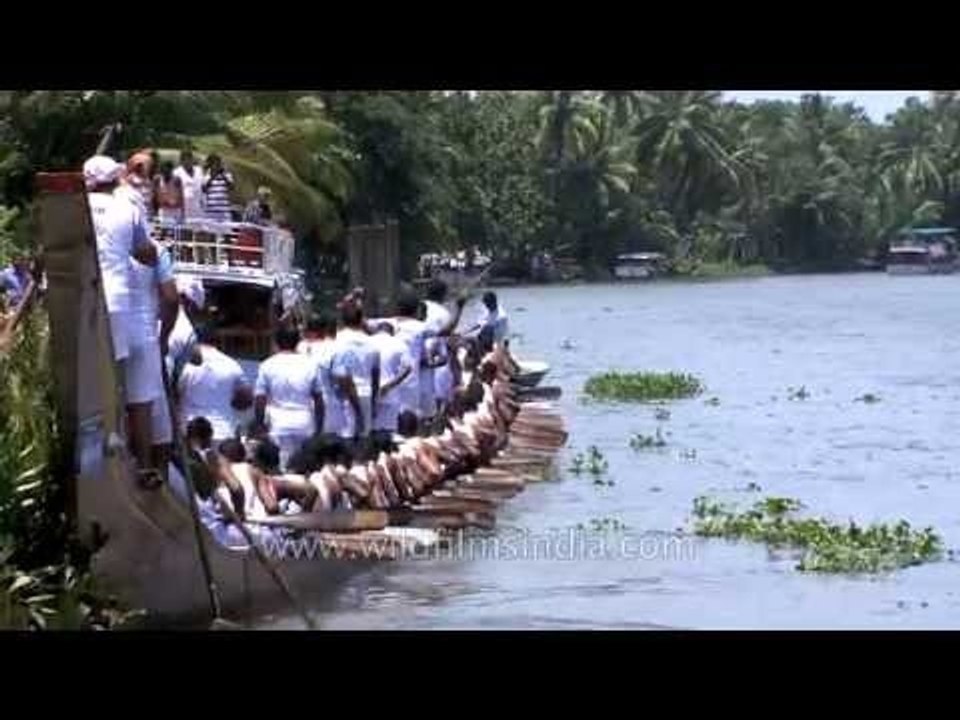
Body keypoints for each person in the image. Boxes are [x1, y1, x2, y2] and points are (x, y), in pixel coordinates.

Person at [83, 154, 159, 486]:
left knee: (87, 376)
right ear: (116, 180)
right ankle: (112, 445)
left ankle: (89, 454)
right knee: (113, 377)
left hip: (81, 298)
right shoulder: (127, 209)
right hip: (117, 301)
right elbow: (146, 252)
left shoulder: (76, 208)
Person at [128, 235, 180, 482]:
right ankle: (146, 471)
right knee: (148, 406)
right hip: (146, 334)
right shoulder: (156, 249)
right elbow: (171, 298)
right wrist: (164, 338)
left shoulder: (102, 243)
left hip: (108, 329)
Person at [254, 326, 320, 469]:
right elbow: (318, 399)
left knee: (282, 467)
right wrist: (319, 427)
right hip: (305, 422)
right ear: (297, 342)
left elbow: (260, 399)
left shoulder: (267, 365)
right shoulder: (310, 364)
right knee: (305, 467)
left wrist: (259, 424)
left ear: (276, 342)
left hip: (278, 424)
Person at [176, 323, 252, 442]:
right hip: (223, 432)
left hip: (190, 432)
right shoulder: (231, 364)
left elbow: (174, 394)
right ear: (216, 341)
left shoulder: (183, 365)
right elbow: (247, 399)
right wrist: (226, 402)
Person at [330, 302, 380, 455]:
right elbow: (375, 375)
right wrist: (374, 401)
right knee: (363, 439)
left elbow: (337, 372)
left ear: (343, 320)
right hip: (365, 392)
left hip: (341, 394)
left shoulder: (337, 340)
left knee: (344, 438)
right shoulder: (372, 343)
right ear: (361, 320)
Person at [368, 321, 413, 452]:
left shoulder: (367, 342)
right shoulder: (399, 344)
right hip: (390, 393)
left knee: (369, 431)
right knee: (387, 433)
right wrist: (389, 385)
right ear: (391, 332)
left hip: (369, 392)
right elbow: (407, 368)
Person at [119, 151, 155, 219]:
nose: (140, 167)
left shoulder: (148, 179)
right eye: (138, 165)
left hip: (147, 210)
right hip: (135, 210)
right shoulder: (130, 178)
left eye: (142, 165)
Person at [174, 149, 205, 220]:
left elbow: (202, 187)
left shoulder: (199, 170)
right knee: (186, 229)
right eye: (185, 159)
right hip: (184, 208)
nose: (187, 161)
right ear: (181, 161)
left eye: (189, 159)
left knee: (199, 229)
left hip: (197, 207)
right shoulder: (177, 172)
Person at [202, 154, 234, 223]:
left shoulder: (227, 175)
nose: (217, 166)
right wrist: (212, 177)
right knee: (211, 232)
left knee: (226, 232)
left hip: (224, 212)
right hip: (211, 212)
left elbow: (231, 187)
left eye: (218, 164)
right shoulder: (207, 176)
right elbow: (204, 189)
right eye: (214, 164)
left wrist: (223, 175)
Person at [154, 161, 184, 225]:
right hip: (164, 211)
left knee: (176, 232)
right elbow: (157, 197)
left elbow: (181, 197)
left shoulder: (177, 180)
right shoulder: (158, 180)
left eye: (168, 171)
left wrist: (182, 212)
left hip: (175, 211)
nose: (166, 173)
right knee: (162, 232)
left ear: (171, 170)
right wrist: (164, 202)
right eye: (164, 171)